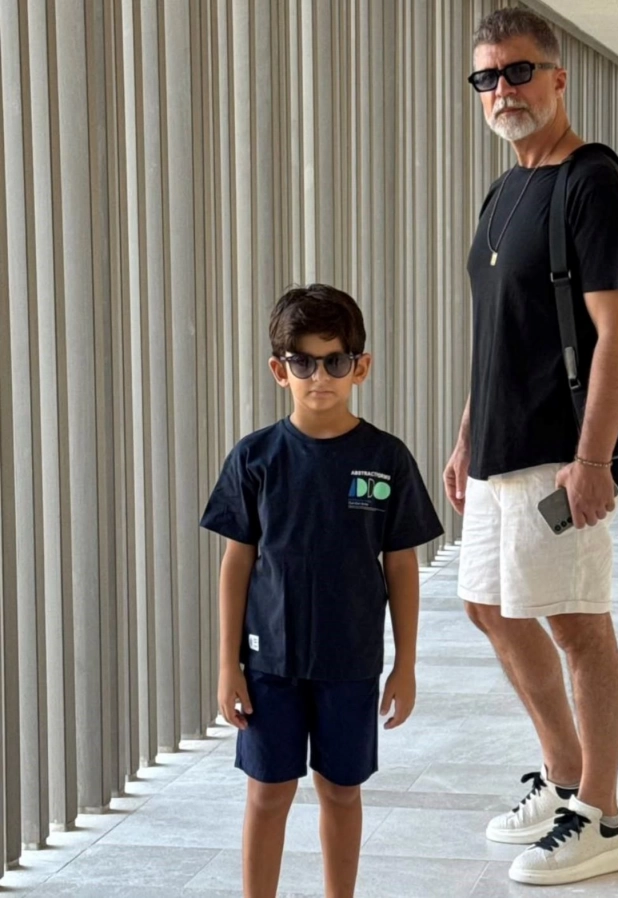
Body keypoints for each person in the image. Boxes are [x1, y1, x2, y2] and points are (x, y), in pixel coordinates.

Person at [443, 7, 618, 888]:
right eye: (487, 77)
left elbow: (617, 332)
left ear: (559, 78)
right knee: (489, 608)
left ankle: (602, 815)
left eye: (519, 71)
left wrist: (594, 459)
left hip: (557, 452)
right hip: (499, 448)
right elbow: (499, 330)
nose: (503, 90)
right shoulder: (504, 193)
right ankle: (563, 775)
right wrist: (466, 435)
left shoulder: (590, 181)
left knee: (576, 626)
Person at [201, 284, 443, 898]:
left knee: (340, 790)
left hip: (350, 662)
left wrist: (406, 664)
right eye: (303, 363)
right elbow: (236, 563)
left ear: (361, 367)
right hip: (269, 664)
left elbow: (401, 566)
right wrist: (227, 664)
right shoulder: (255, 458)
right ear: (279, 370)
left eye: (335, 361)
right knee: (268, 792)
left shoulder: (386, 459)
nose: (320, 377)